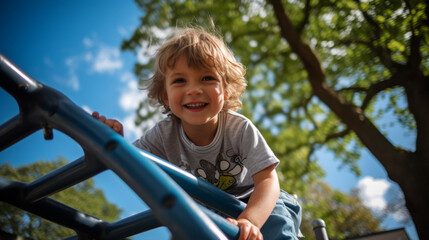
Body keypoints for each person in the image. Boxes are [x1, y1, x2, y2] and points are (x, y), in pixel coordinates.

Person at [93, 27, 302, 240]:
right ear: (166, 96)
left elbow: (268, 180)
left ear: (226, 89)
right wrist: (112, 140)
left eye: (207, 78)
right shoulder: (163, 135)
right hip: (209, 212)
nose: (193, 89)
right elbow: (131, 161)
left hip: (254, 201)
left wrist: (250, 220)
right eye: (180, 81)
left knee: (276, 221)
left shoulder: (238, 128)